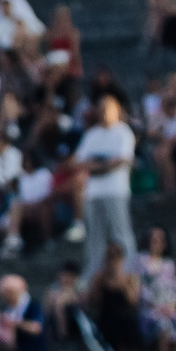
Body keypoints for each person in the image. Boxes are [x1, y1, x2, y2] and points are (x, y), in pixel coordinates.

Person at [72, 94, 138, 261]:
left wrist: (96, 165)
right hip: (93, 192)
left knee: (121, 232)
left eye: (107, 109)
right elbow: (79, 162)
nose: (103, 113)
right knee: (95, 237)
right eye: (101, 109)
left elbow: (122, 160)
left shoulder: (123, 132)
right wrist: (104, 165)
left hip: (115, 190)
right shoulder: (92, 134)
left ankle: (129, 269)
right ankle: (94, 272)